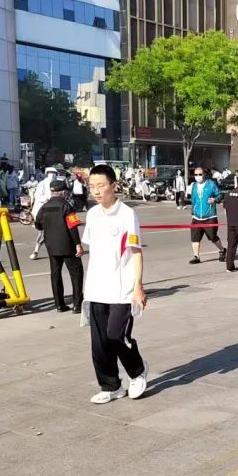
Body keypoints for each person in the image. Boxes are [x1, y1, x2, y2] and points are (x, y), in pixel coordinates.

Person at [81, 164, 149, 404]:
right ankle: (111, 386)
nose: (96, 191)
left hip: (122, 289)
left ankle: (138, 371)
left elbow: (136, 251)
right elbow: (93, 249)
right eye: (92, 186)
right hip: (97, 288)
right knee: (99, 343)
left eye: (101, 186)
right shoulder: (92, 214)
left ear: (113, 186)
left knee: (115, 336)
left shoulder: (127, 214)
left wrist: (138, 287)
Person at [35, 179, 84, 313]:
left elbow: (38, 224)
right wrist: (78, 244)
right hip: (68, 246)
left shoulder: (44, 207)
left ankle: (59, 305)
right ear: (63, 192)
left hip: (51, 247)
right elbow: (73, 227)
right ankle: (77, 305)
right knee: (76, 274)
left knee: (55, 275)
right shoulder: (67, 206)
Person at [188, 166, 225, 264]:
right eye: (196, 174)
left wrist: (215, 200)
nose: (198, 176)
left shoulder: (211, 184)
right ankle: (196, 256)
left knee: (212, 237)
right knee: (195, 237)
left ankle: (222, 249)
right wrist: (193, 213)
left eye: (200, 174)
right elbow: (193, 201)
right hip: (196, 217)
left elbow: (220, 195)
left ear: (204, 174)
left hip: (210, 216)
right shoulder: (194, 186)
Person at [29, 167, 58, 260]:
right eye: (50, 173)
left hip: (55, 211)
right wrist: (48, 198)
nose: (52, 175)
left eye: (54, 173)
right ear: (47, 173)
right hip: (42, 211)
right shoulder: (42, 184)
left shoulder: (57, 184)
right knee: (41, 233)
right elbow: (38, 196)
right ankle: (36, 250)